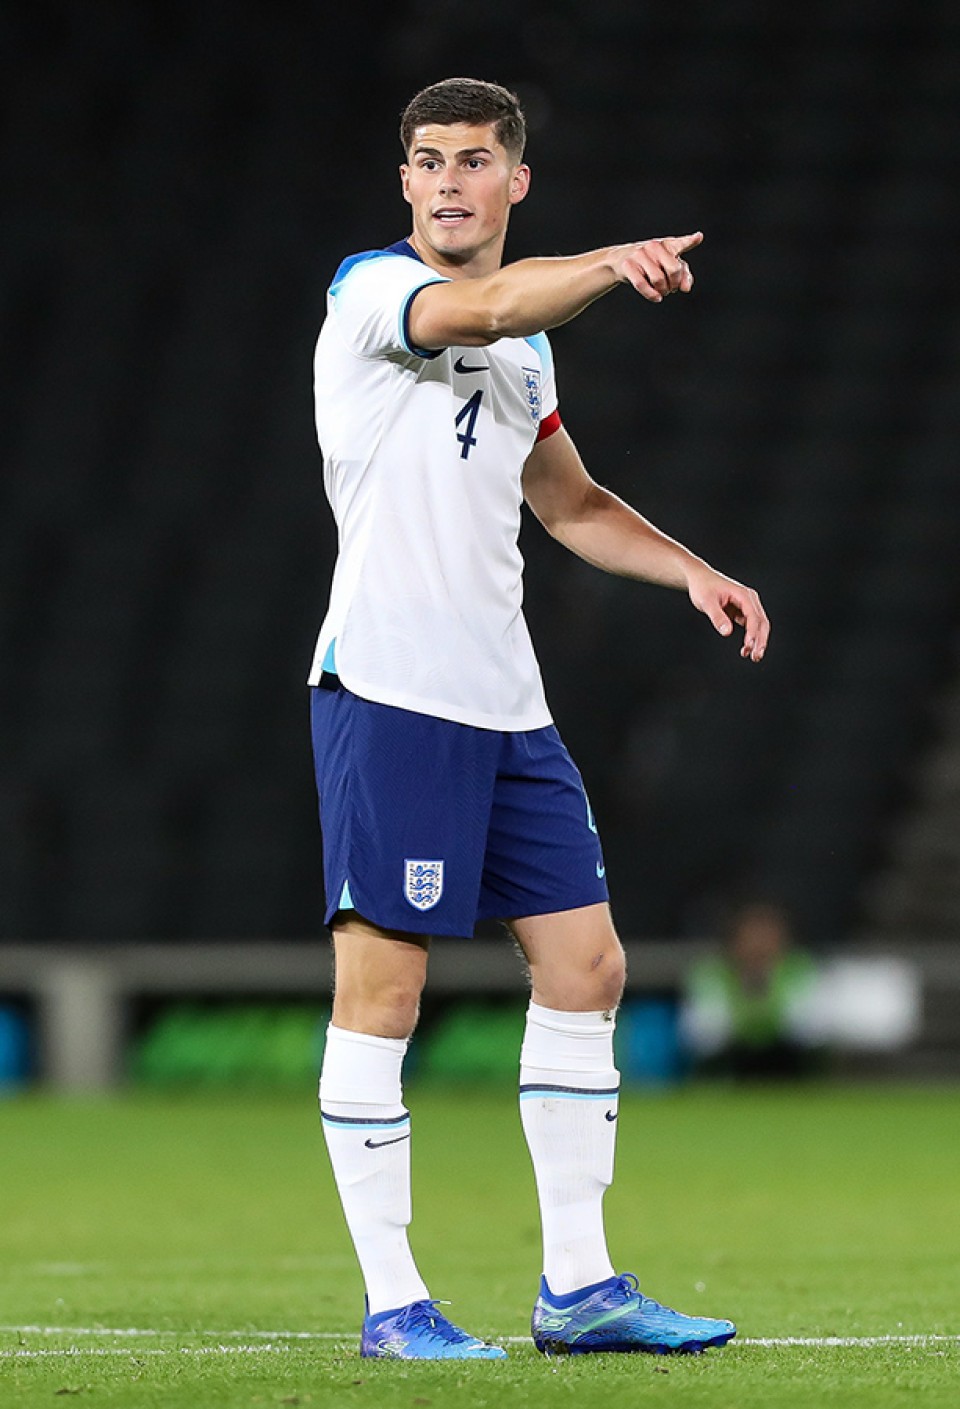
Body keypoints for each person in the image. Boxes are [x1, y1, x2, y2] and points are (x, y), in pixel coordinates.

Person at [309, 76, 770, 1361]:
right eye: (426, 160)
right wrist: (610, 266)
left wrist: (692, 567)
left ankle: (579, 1285)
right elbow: (490, 298)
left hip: (508, 708)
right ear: (404, 182)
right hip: (391, 691)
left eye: (474, 160)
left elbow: (567, 504)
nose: (447, 179)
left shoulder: (527, 350)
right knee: (384, 991)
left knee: (591, 968)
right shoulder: (372, 294)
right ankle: (395, 1300)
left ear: (517, 182)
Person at [681, 900, 826, 1079]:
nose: (759, 945)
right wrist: (748, 997)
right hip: (731, 1067)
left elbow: (810, 1033)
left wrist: (766, 996)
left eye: (767, 936)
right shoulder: (713, 973)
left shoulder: (800, 968)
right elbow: (704, 1037)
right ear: (734, 941)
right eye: (751, 936)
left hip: (789, 1066)